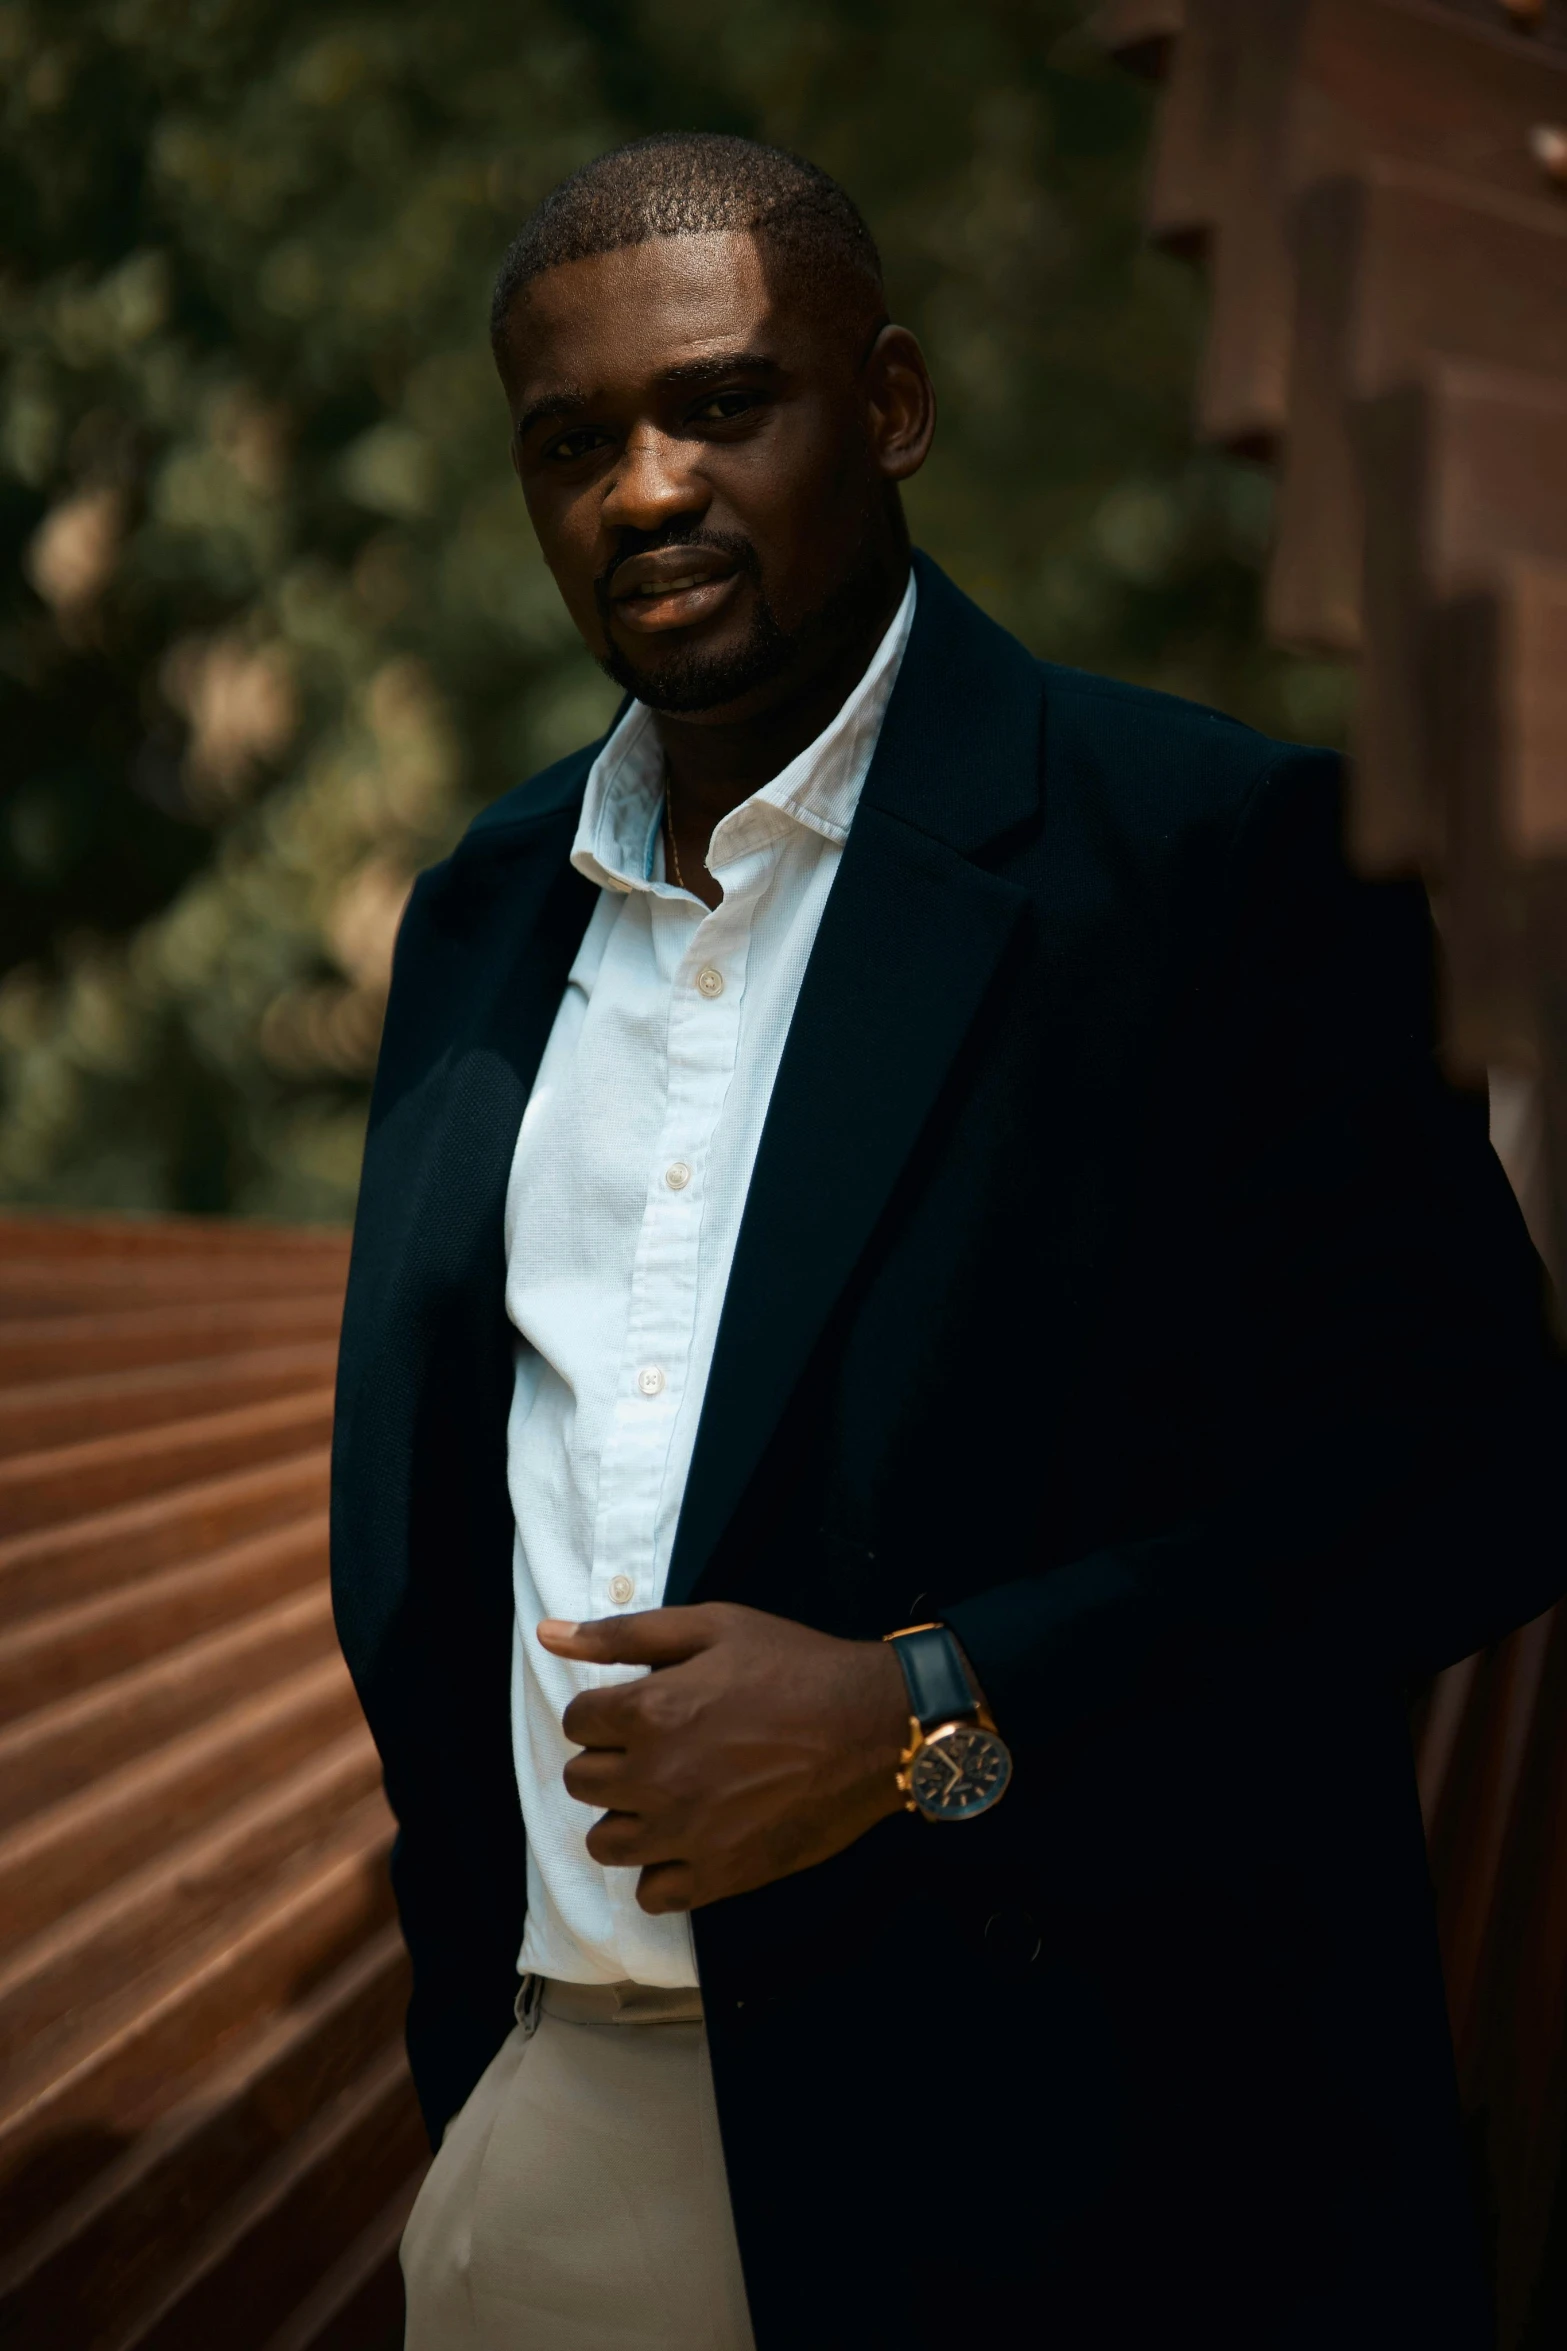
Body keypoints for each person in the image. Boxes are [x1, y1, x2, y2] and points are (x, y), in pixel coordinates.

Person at [330, 132, 1567, 2351]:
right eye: (571, 440)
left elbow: (1474, 1473)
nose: (645, 489)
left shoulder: (1204, 861)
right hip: (566, 2130)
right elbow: (432, 1549)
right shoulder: (480, 915)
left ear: (886, 405)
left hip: (1099, 2171)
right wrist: (479, 2083)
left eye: (721, 405)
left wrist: (926, 1705)